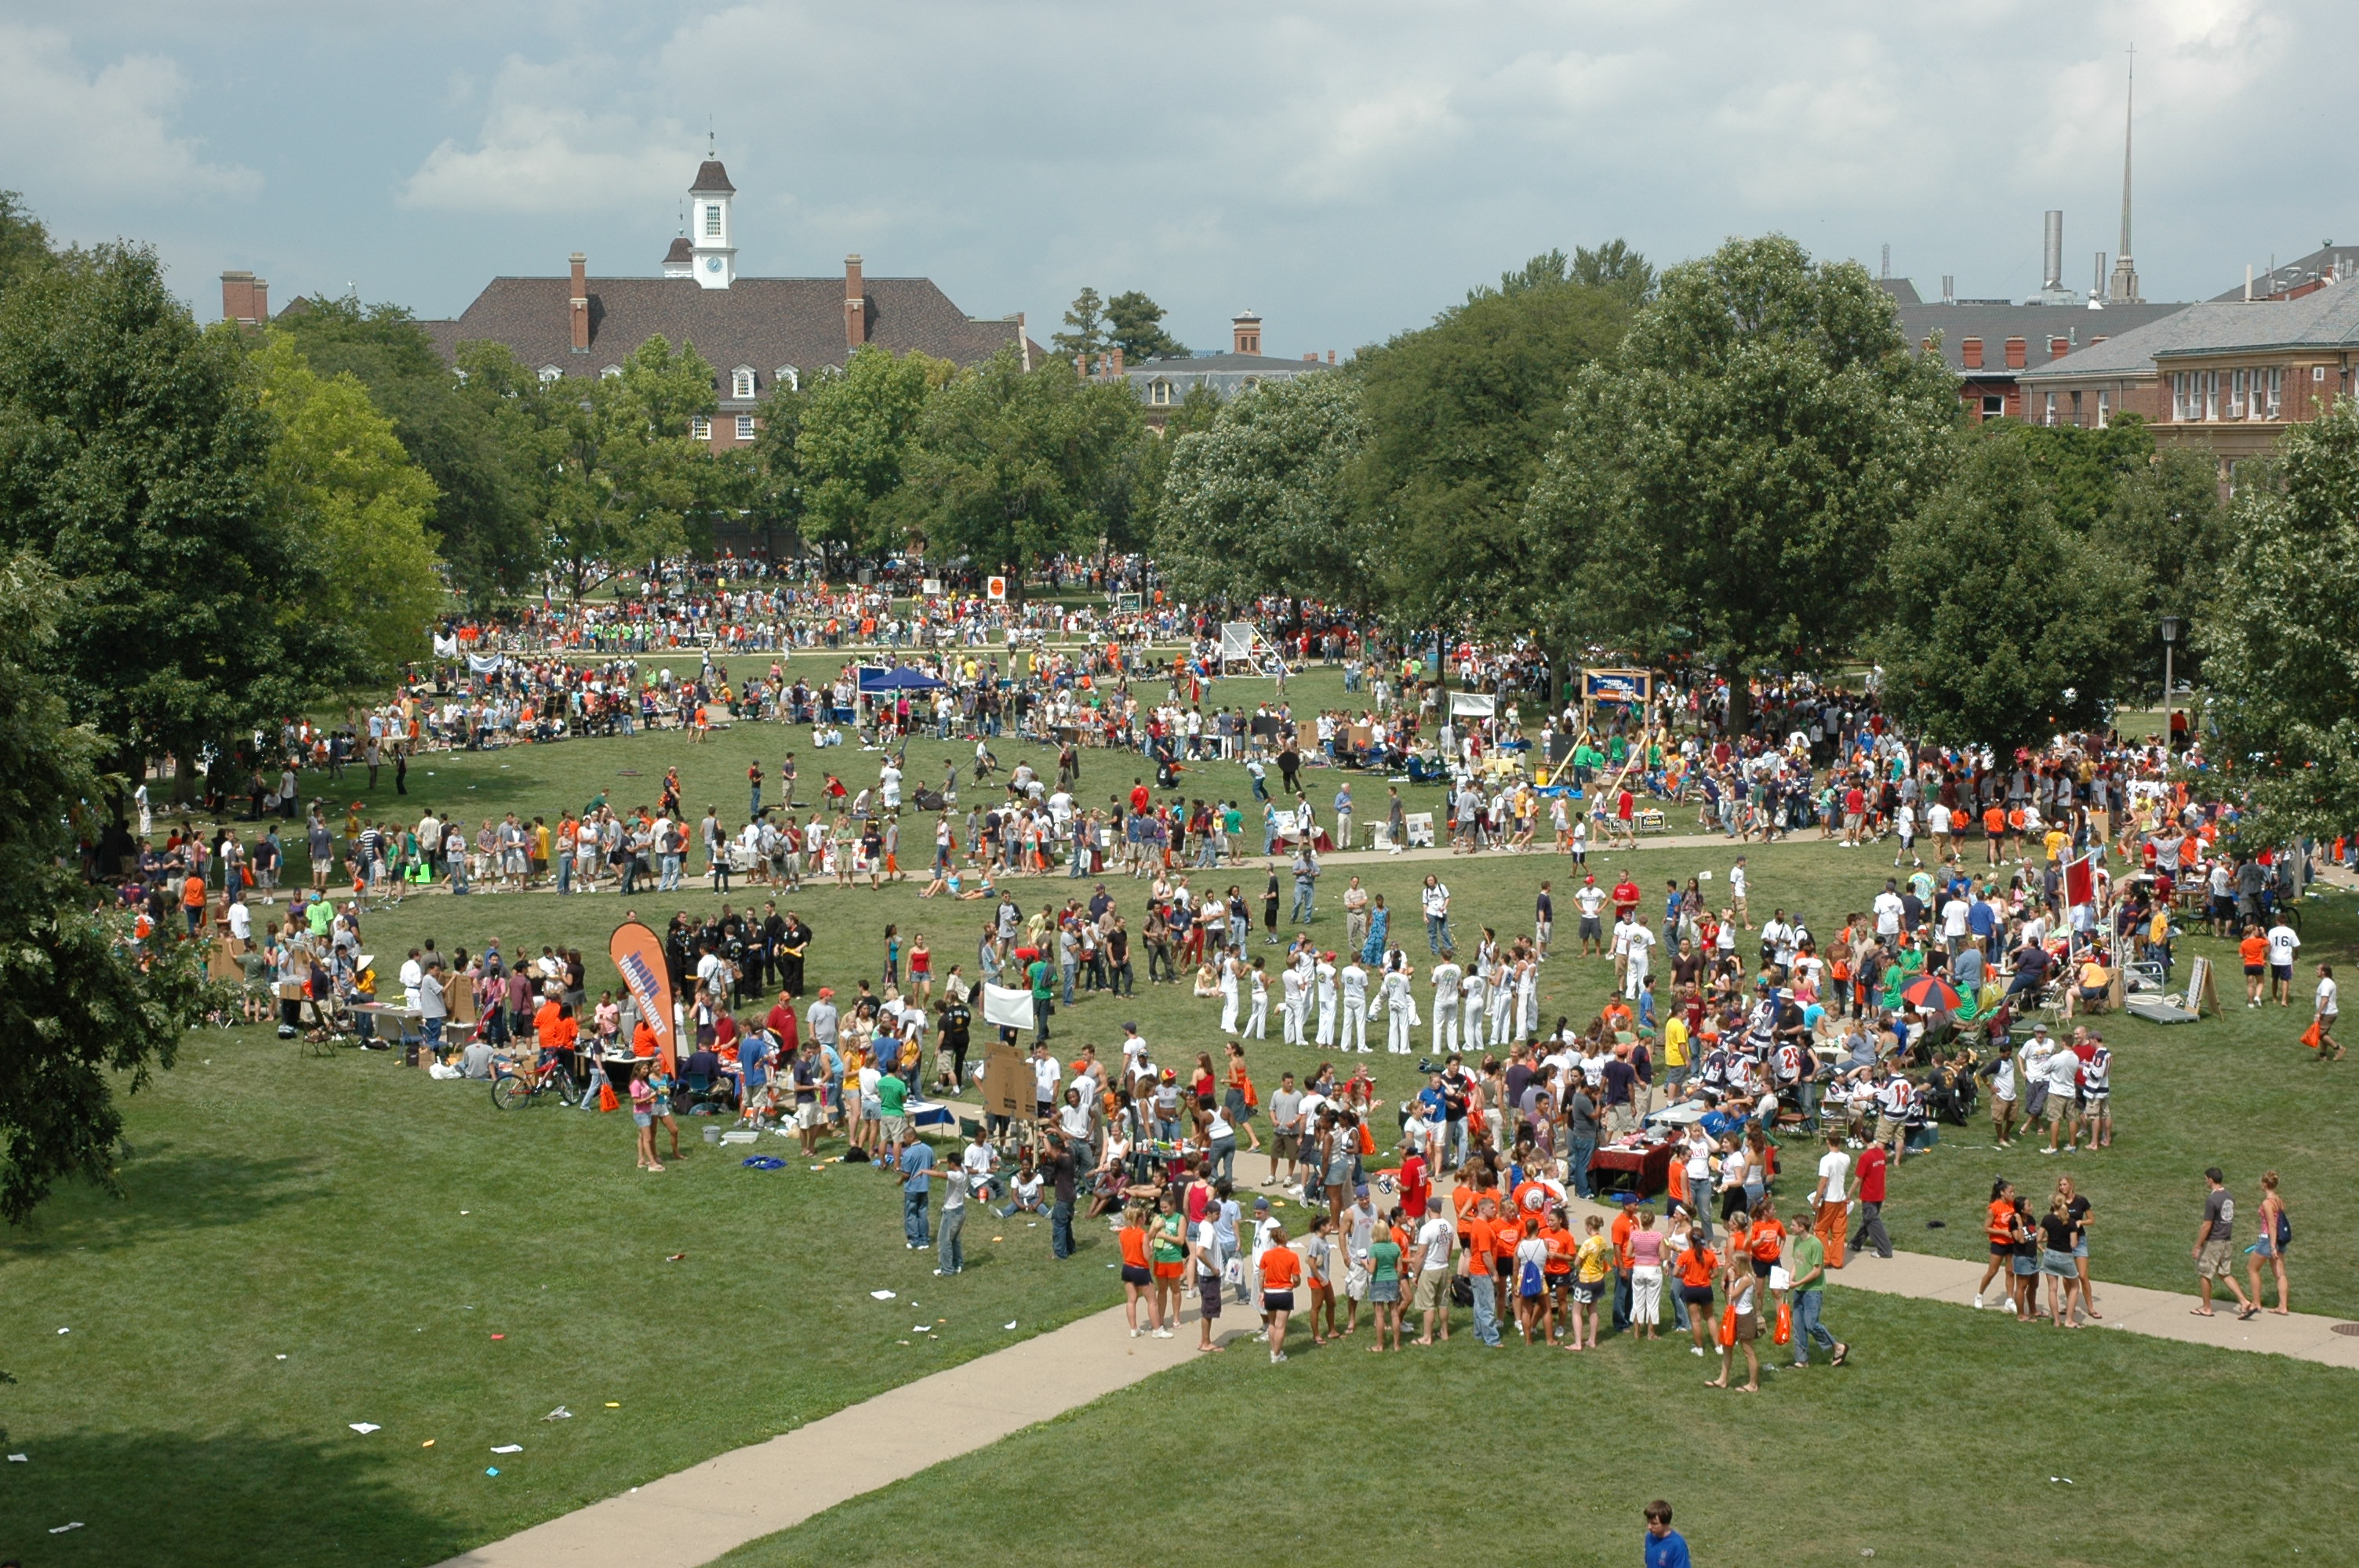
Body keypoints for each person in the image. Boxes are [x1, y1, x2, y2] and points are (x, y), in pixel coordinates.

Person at [2192, 1165, 2255, 1317]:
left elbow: (2207, 1225)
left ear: (2210, 1180)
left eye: (2206, 1179)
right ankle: (2244, 1302)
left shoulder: (2212, 1200)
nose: (2205, 1182)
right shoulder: (2229, 1196)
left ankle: (2206, 1308)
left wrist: (2198, 1245)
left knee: (2205, 1274)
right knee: (2224, 1273)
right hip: (2227, 1240)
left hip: (2214, 1241)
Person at [1784, 1214, 1846, 1367]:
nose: (1790, 1227)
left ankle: (1838, 1347)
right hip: (1799, 1289)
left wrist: (1797, 1283)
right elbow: (1797, 1262)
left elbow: (1817, 1271)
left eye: (1793, 1225)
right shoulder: (1797, 1241)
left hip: (1813, 1291)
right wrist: (1790, 1280)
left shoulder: (1815, 1244)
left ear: (1801, 1227)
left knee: (1811, 1324)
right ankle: (1802, 1360)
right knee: (1799, 1326)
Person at [2246, 1170, 2290, 1317]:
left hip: (2268, 1240)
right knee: (2280, 1274)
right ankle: (2283, 1306)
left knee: (2252, 1269)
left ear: (2265, 1184)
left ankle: (2256, 1303)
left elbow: (2272, 1225)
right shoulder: (2279, 1200)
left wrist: (2272, 1247)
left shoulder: (2267, 1203)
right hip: (2280, 1240)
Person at [1259, 1223, 1299, 1363]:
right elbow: (1296, 1279)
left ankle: (1273, 1350)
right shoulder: (1292, 1256)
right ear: (1285, 1238)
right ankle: (1276, 1355)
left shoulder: (1266, 1255)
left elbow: (1261, 1276)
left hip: (1269, 1293)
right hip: (1284, 1293)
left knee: (1272, 1323)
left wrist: (1261, 1291)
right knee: (1281, 1326)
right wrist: (1295, 1285)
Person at [897, 1134, 935, 1250]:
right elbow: (932, 1167)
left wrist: (899, 1181)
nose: (904, 1140)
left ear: (912, 1137)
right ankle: (924, 1240)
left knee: (911, 1214)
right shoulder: (928, 1149)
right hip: (924, 1187)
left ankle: (914, 1241)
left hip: (912, 1188)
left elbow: (906, 1174)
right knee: (923, 1214)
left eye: (905, 1137)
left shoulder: (908, 1153)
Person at [1643, 1501, 1692, 1568]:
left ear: (1666, 1523)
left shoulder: (1677, 1545)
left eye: (1654, 1523)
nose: (1649, 1527)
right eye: (1648, 1522)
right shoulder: (1649, 1537)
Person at [2310, 963, 2343, 1062]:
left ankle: (2338, 1049)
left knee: (2319, 1034)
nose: (2316, 971)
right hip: (2328, 1012)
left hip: (2327, 1013)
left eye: (2318, 969)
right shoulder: (2327, 982)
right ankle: (2323, 1055)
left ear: (2323, 972)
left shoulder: (2326, 984)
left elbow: (2324, 1000)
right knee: (2324, 1034)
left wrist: (2318, 1013)